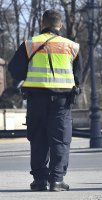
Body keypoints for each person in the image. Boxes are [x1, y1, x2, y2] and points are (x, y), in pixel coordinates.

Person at [8, 10, 81, 192]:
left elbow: (14, 70)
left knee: (38, 138)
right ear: (60, 25)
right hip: (62, 101)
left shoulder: (29, 44)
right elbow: (78, 75)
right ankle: (56, 181)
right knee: (60, 140)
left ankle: (39, 181)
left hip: (36, 98)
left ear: (42, 24)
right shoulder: (72, 46)